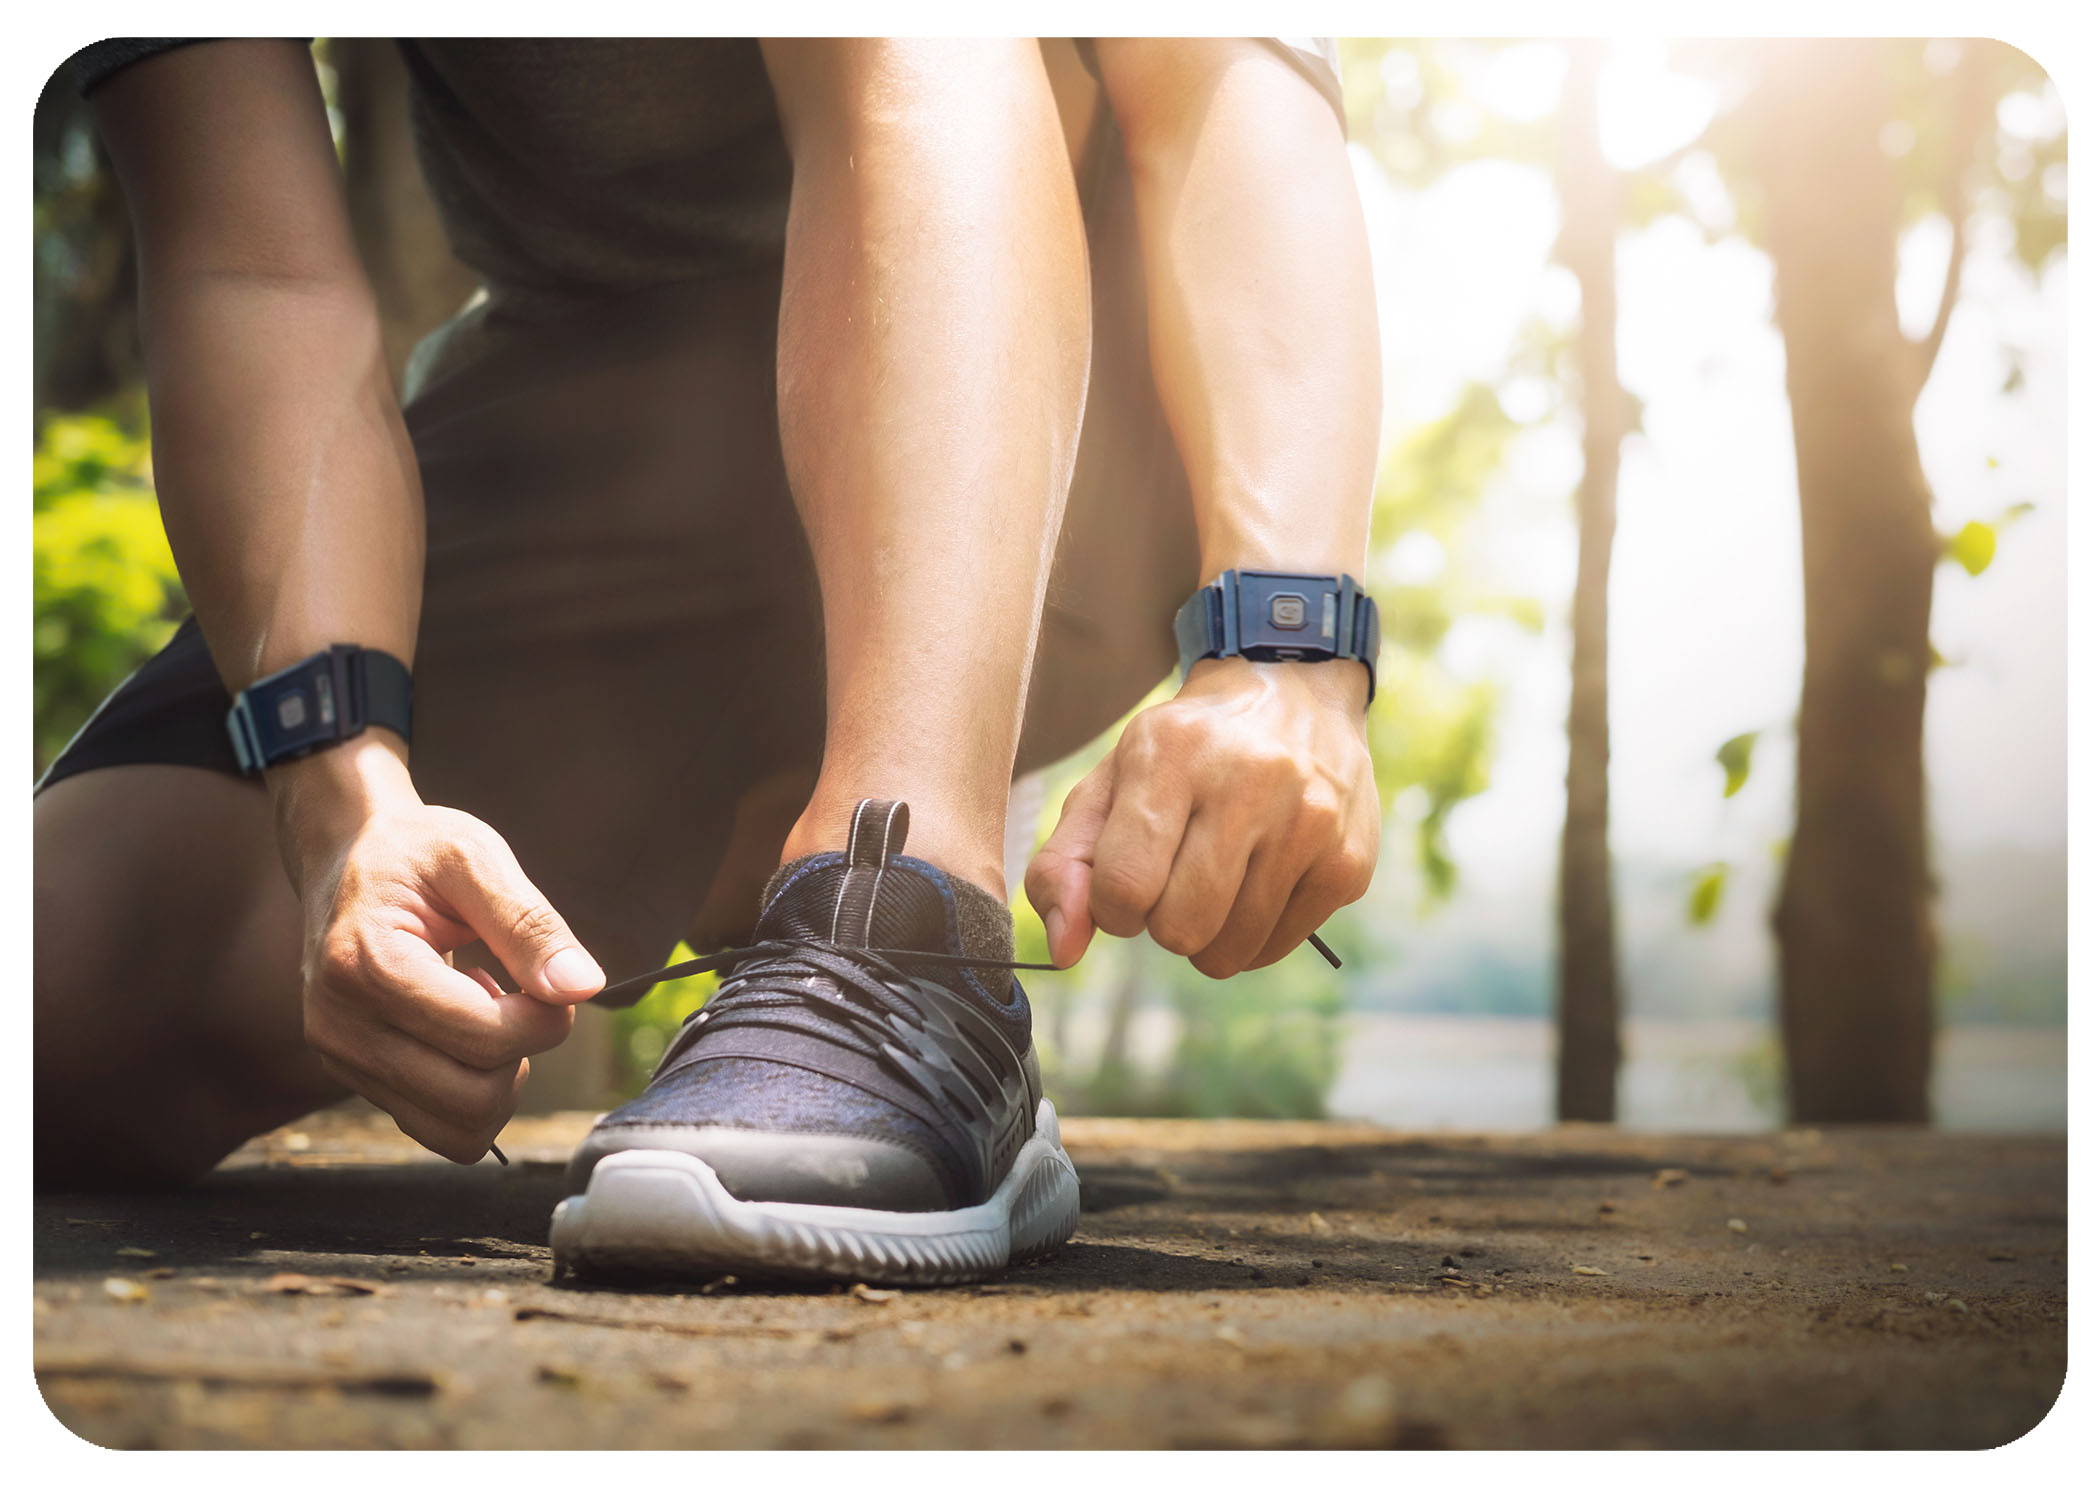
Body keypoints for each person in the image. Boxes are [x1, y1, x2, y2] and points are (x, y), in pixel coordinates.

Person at [34, 37, 1381, 1283]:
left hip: (1078, 413)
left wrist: (1286, 648)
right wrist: (344, 803)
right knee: (68, 1000)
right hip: (595, 430)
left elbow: (1220, 72)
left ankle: (904, 911)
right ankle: (748, 850)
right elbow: (250, 267)